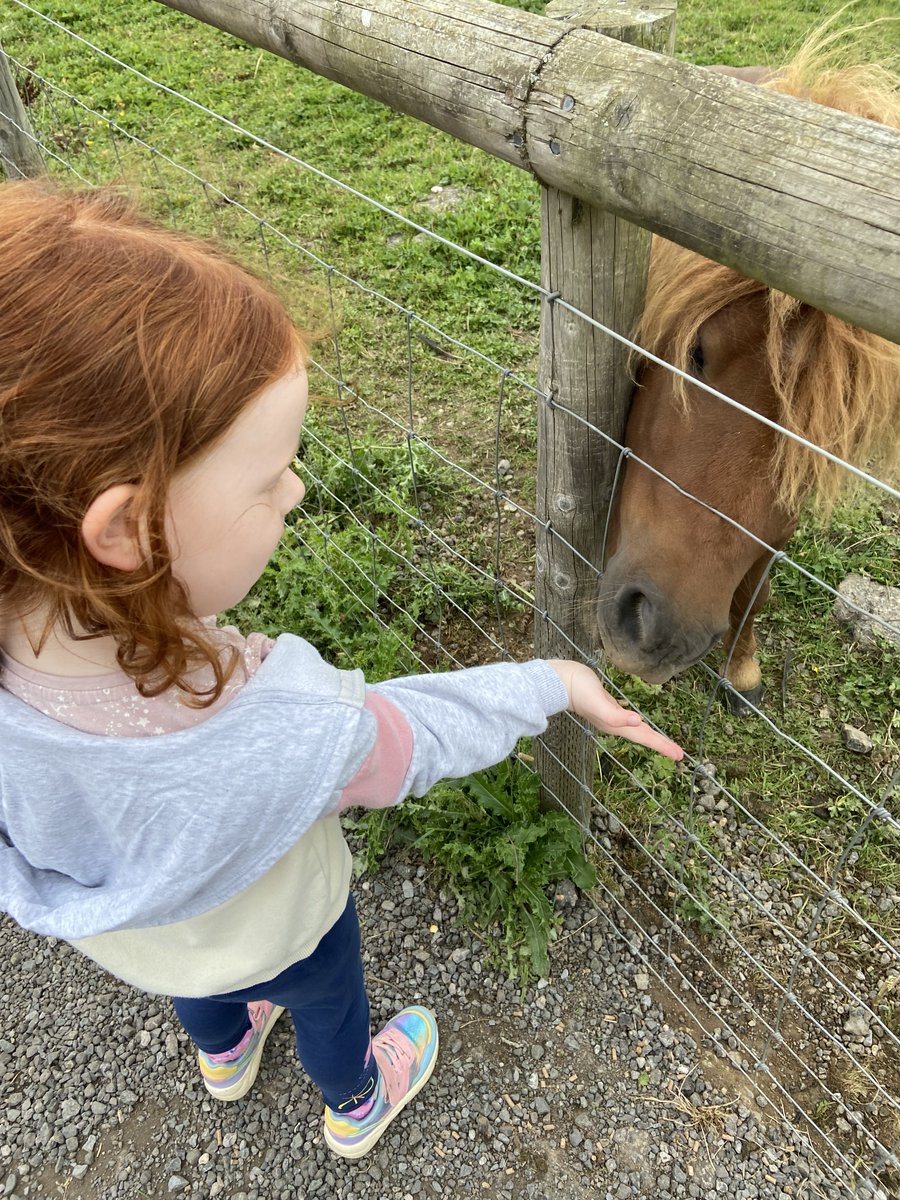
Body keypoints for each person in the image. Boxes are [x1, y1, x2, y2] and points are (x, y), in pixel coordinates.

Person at [0, 181, 683, 1161]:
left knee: (203, 988)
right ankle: (356, 1097)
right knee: (326, 995)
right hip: (286, 931)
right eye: (270, 474)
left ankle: (226, 1050)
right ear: (126, 528)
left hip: (147, 949)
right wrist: (553, 685)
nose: (299, 487)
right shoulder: (286, 728)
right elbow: (415, 735)